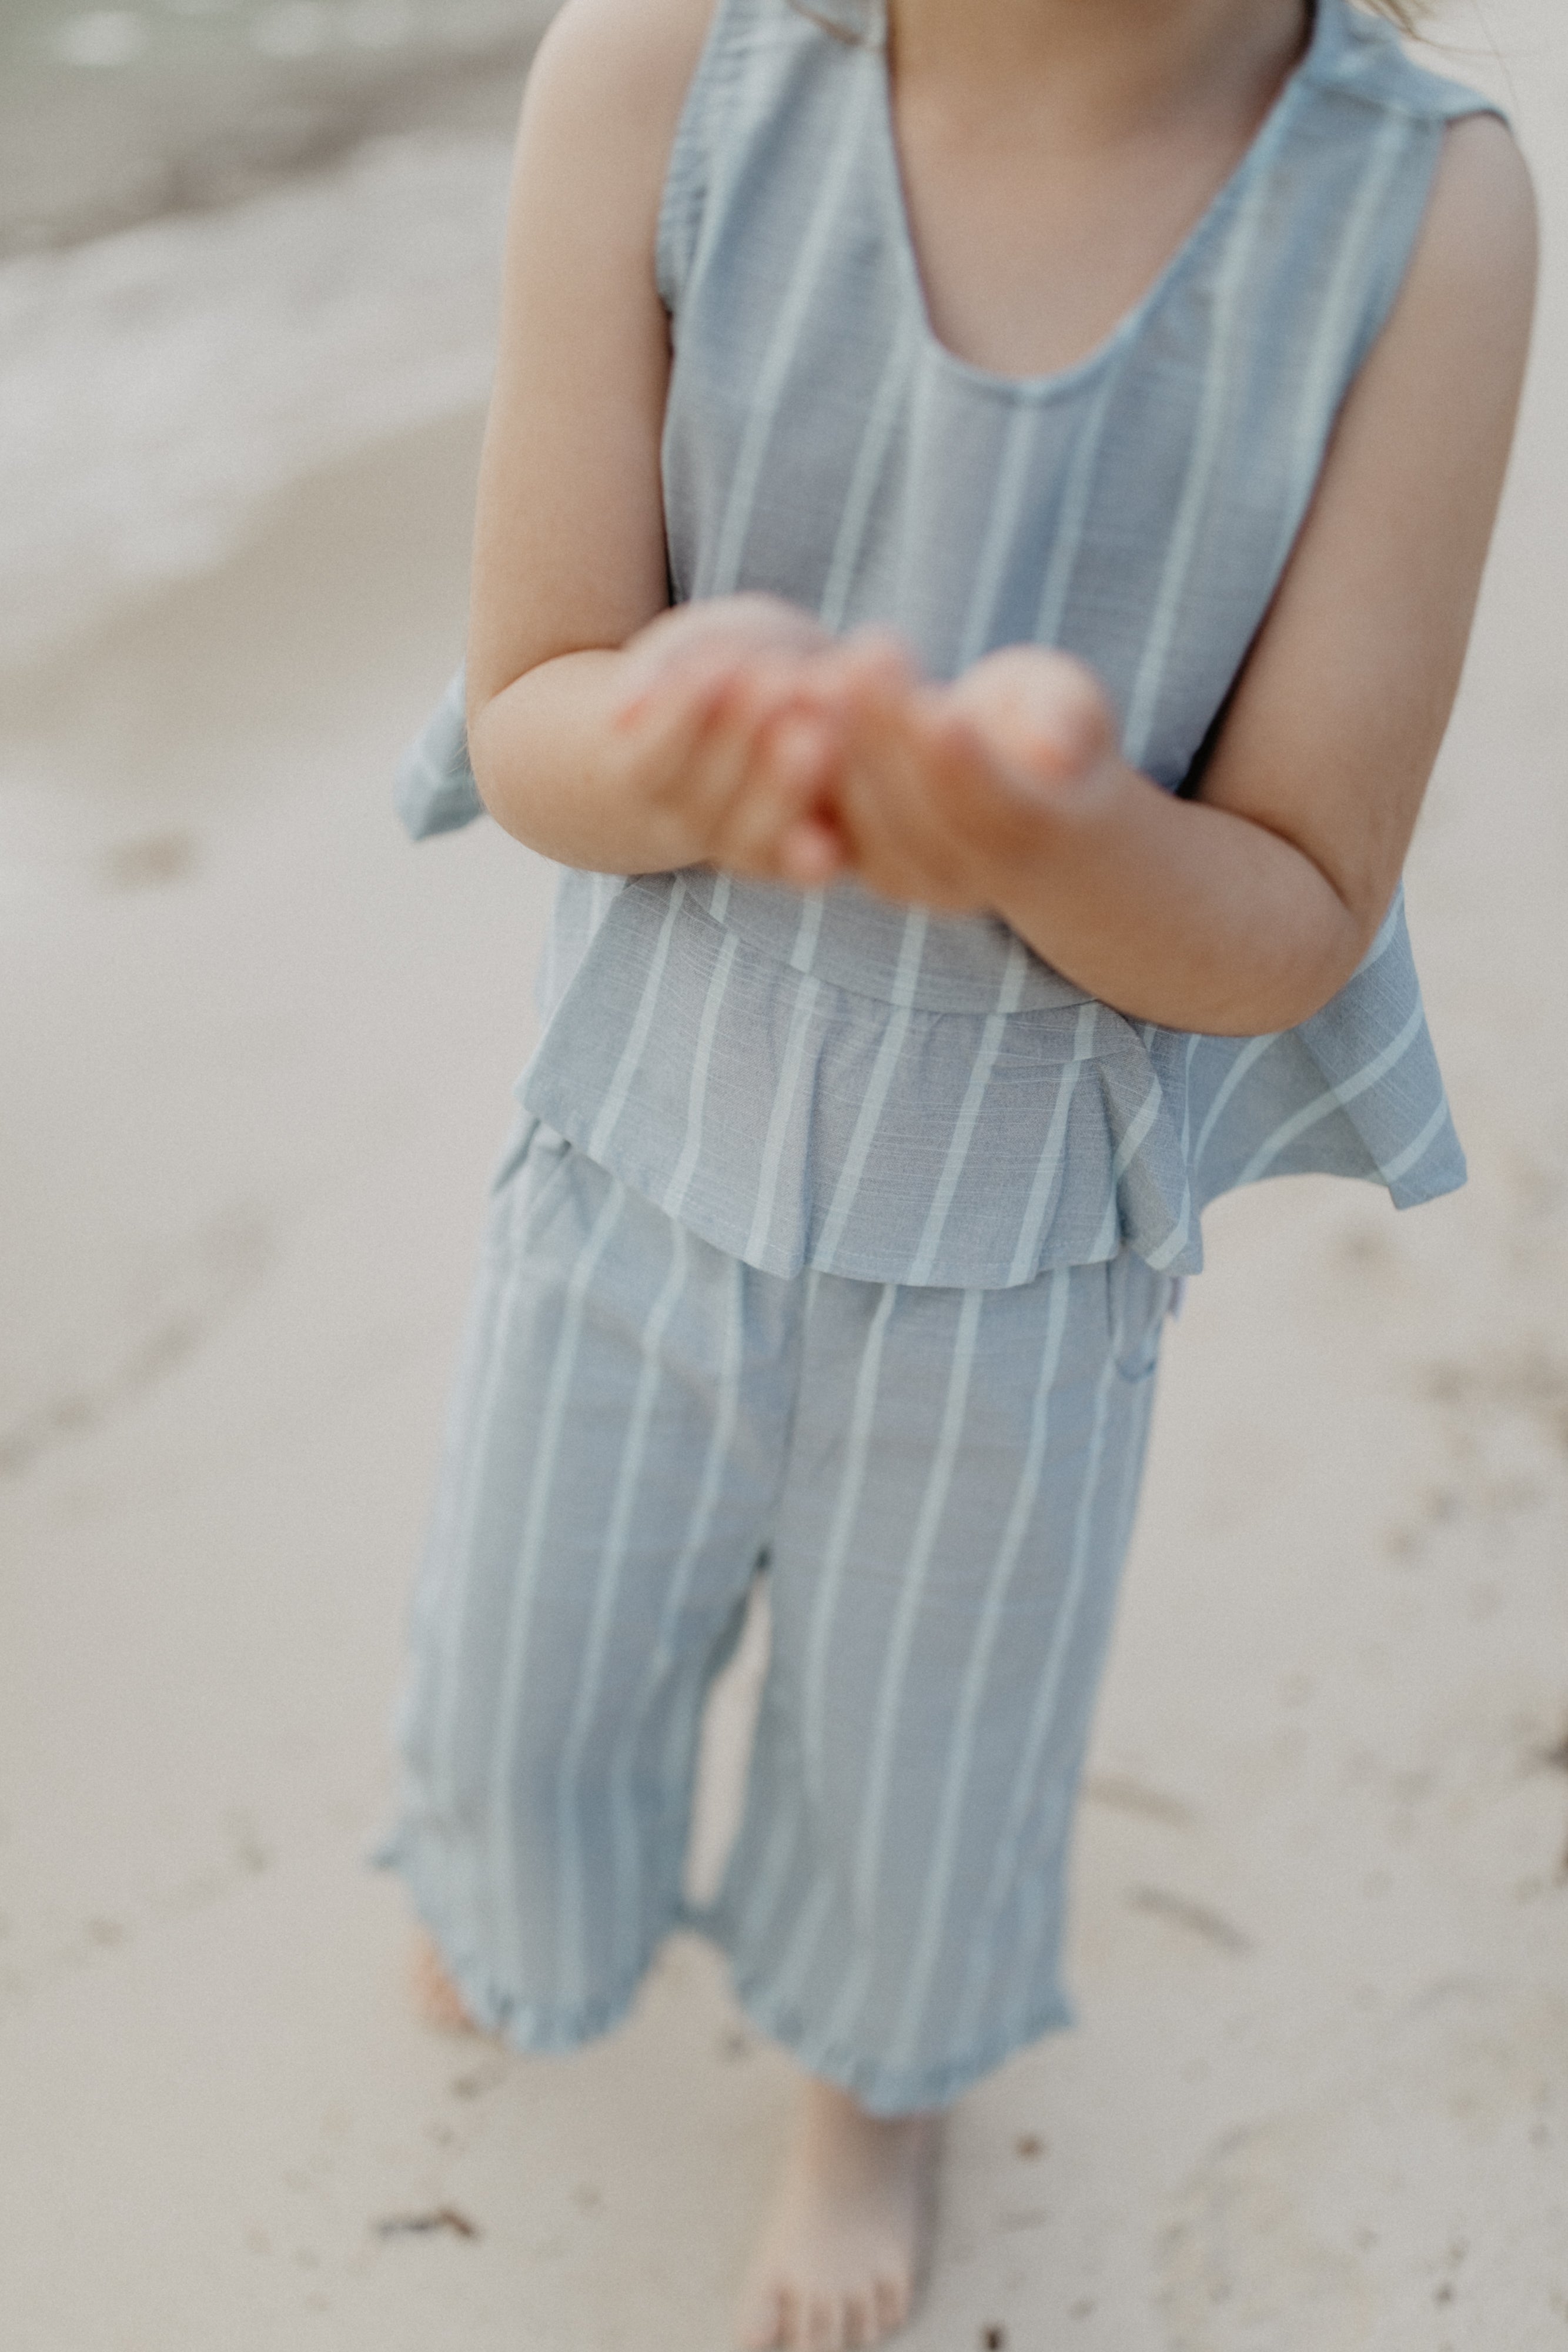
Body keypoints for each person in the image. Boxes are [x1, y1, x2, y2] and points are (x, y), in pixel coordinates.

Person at [378, 0, 1536, 2341]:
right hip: (637, 1143)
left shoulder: (1424, 207)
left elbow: (1291, 911)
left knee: (930, 1739)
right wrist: (689, 746)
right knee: (531, 1652)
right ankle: (519, 1885)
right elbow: (531, 708)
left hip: (1018, 1239)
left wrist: (1045, 832)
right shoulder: (657, 67)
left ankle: (865, 2089)